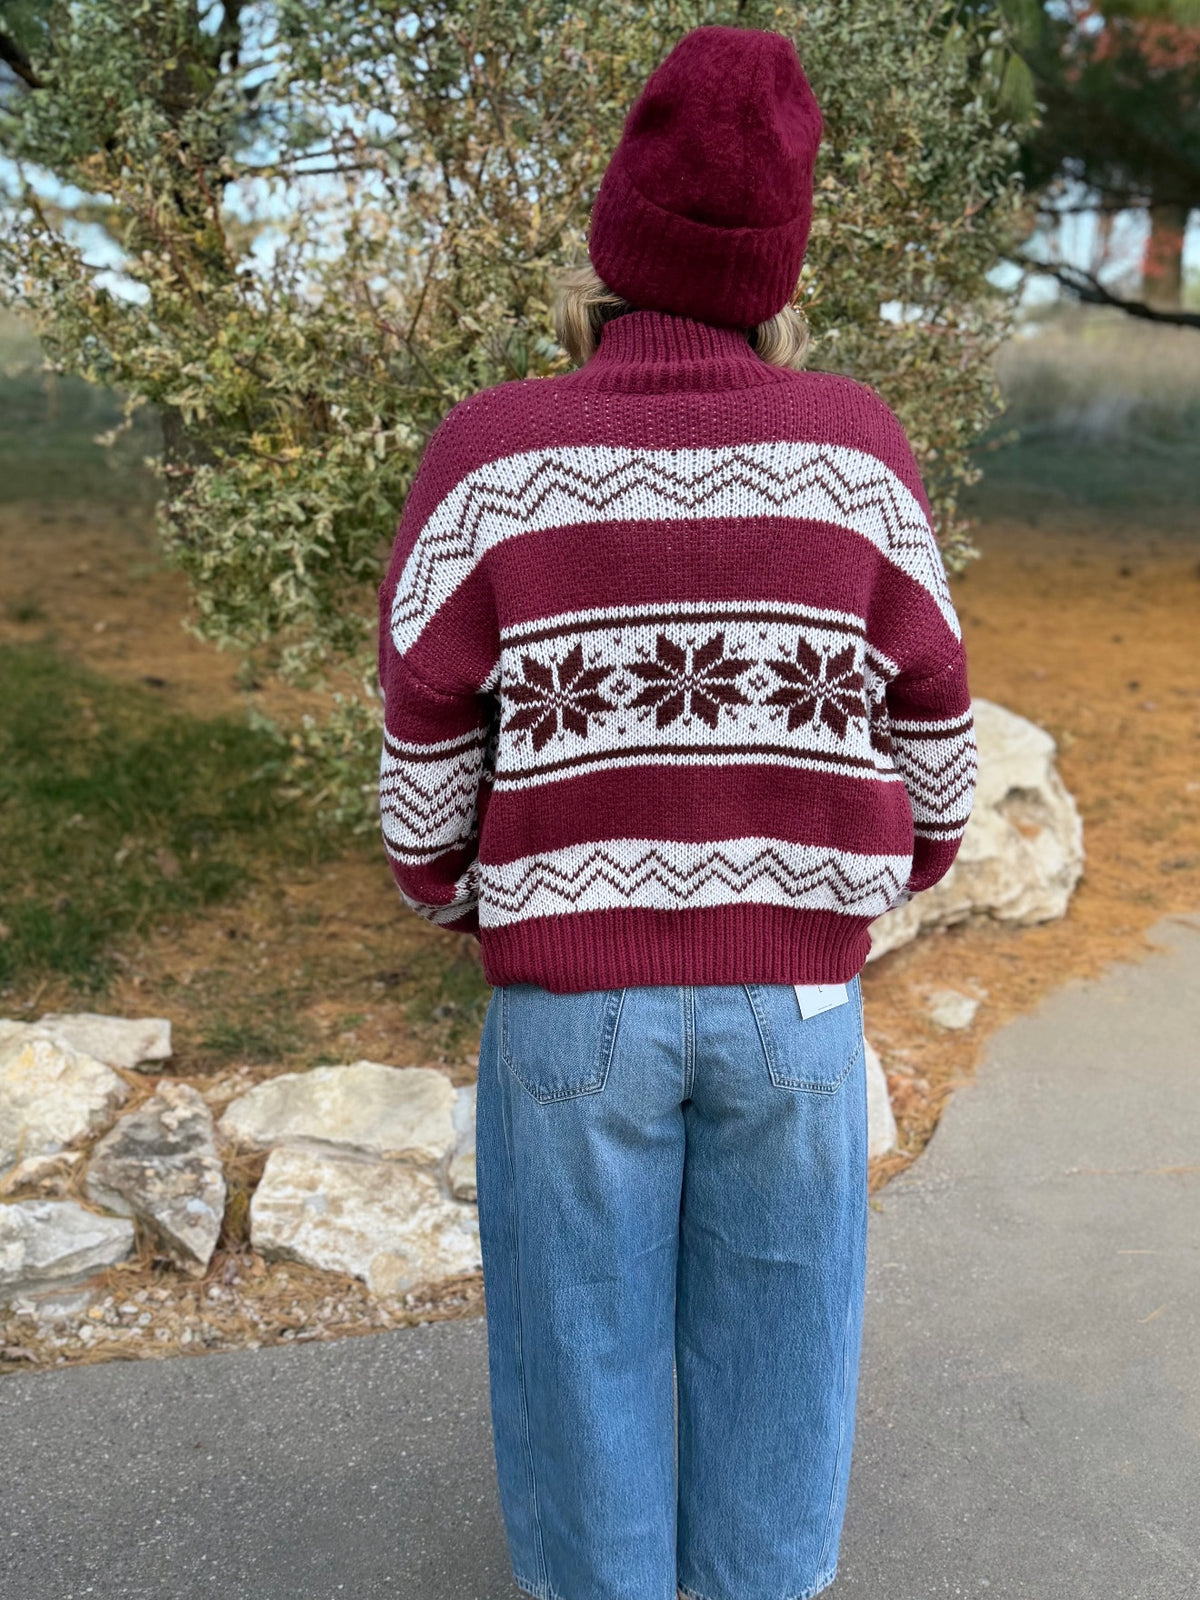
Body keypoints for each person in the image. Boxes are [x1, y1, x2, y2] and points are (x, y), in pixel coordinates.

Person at [376, 23, 977, 1600]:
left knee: (576, 1354)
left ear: (615, 239)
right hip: (796, 1006)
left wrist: (452, 889)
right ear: (781, 261)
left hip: (569, 1009)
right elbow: (936, 718)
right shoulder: (854, 451)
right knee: (786, 1350)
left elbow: (425, 726)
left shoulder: (493, 454)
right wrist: (887, 868)